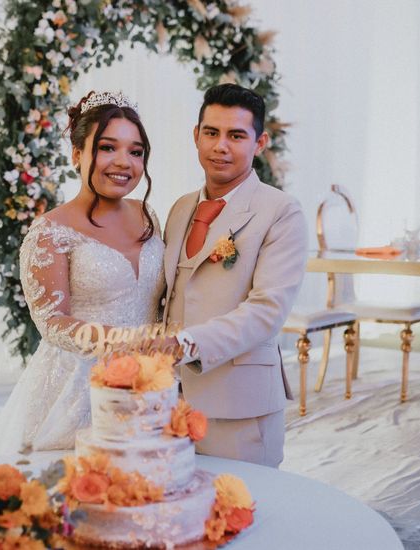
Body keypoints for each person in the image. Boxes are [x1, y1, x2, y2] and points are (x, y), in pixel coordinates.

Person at [0, 91, 165, 455]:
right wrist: (122, 343)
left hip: (149, 382)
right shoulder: (50, 231)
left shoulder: (149, 217)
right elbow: (52, 322)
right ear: (77, 154)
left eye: (135, 151)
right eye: (108, 147)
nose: (123, 162)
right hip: (79, 388)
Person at [163, 84, 307, 467]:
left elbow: (267, 310)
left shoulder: (281, 211)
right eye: (211, 133)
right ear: (196, 135)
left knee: (245, 517)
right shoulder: (179, 209)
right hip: (169, 407)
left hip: (240, 407)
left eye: (236, 135)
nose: (220, 146)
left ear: (259, 142)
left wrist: (185, 344)